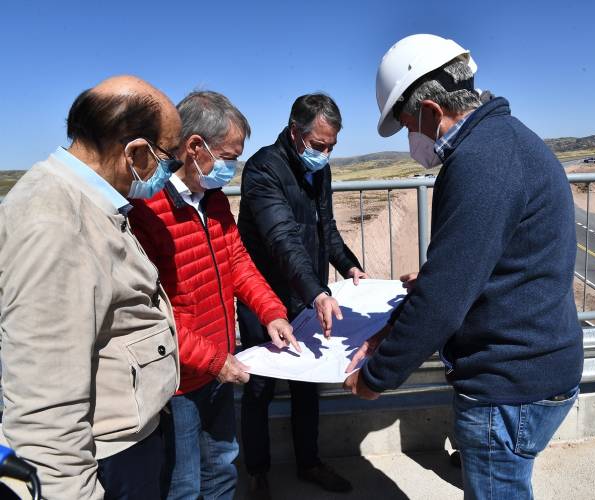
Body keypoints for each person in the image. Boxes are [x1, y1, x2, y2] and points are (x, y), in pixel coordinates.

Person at [344, 34, 584, 499]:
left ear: (432, 112)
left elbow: (445, 300)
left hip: (508, 385)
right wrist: (441, 277)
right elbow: (486, 264)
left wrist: (376, 377)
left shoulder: (480, 163)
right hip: (536, 366)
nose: (411, 141)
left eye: (408, 125)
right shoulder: (507, 140)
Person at [0, 76, 182, 499]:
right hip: (105, 461)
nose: (168, 174)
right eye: (167, 159)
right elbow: (44, 411)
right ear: (135, 153)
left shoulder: (90, 202)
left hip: (126, 440)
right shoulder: (55, 224)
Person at [127, 91, 297, 500]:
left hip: (221, 364)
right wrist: (211, 359)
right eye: (228, 156)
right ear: (194, 147)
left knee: (222, 467)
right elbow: (150, 311)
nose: (231, 167)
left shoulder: (213, 199)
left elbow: (237, 261)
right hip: (179, 379)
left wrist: (271, 311)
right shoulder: (147, 210)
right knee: (182, 482)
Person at [237, 93, 366, 496]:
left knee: (307, 383)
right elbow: (282, 239)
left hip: (306, 295)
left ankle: (309, 462)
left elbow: (325, 227)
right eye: (319, 146)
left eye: (331, 148)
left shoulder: (318, 170)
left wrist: (348, 265)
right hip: (265, 296)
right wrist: (316, 292)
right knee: (259, 386)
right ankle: (258, 472)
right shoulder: (263, 170)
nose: (325, 155)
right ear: (295, 133)